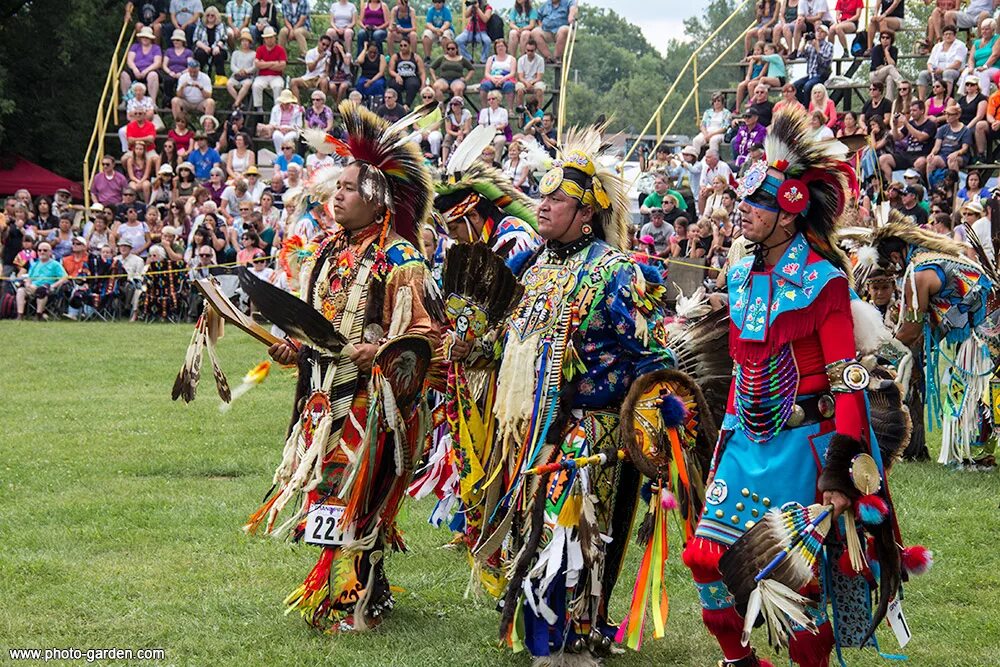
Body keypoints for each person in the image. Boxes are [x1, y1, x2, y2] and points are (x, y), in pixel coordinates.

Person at [684, 107, 913, 667]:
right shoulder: (738, 276)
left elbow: (846, 377)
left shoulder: (825, 282)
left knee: (800, 578)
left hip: (803, 444)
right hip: (745, 441)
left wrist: (840, 469)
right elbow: (741, 364)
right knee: (703, 557)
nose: (741, 211)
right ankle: (740, 660)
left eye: (755, 204)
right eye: (743, 201)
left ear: (788, 214)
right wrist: (722, 438)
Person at [450, 126, 674, 665]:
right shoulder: (535, 264)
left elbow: (654, 358)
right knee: (535, 528)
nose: (543, 205)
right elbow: (509, 336)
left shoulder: (616, 272)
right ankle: (552, 628)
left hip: (589, 432)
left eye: (557, 199)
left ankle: (574, 632)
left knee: (572, 534)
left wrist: (651, 432)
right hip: (533, 430)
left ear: (587, 213)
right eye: (542, 195)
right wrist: (473, 346)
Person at [256, 101, 440, 634]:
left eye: (350, 188)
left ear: (378, 201)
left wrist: (382, 350)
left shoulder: (401, 260)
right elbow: (314, 324)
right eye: (337, 186)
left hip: (372, 402)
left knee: (352, 491)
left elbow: (427, 335)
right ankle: (364, 589)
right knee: (330, 491)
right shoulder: (326, 252)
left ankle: (352, 598)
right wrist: (295, 347)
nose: (337, 195)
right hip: (324, 395)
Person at [861, 210, 996, 466]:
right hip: (988, 323)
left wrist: (878, 353)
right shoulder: (935, 257)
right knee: (973, 394)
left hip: (984, 331)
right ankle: (968, 453)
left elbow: (911, 330)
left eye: (890, 266)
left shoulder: (918, 272)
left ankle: (962, 456)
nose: (893, 271)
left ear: (894, 255)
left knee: (961, 397)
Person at [433, 158, 541, 259]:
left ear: (474, 215)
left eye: (453, 228)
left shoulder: (512, 240)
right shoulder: (490, 238)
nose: (453, 236)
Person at [880, 98, 937, 182]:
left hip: (921, 154)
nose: (911, 113)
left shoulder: (930, 124)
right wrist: (895, 126)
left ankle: (916, 187)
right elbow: (897, 137)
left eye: (914, 110)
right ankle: (890, 186)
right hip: (907, 154)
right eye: (910, 111)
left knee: (920, 163)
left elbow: (921, 137)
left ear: (922, 111)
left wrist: (906, 123)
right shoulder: (911, 123)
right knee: (883, 159)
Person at [14, 241, 68, 320]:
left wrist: (53, 285)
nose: (42, 252)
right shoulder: (35, 264)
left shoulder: (55, 264)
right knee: (20, 290)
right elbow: (29, 277)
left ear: (50, 252)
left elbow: (64, 277)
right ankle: (20, 315)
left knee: (41, 290)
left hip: (47, 288)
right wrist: (28, 284)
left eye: (45, 250)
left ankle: (39, 315)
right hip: (32, 287)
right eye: (39, 250)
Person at [918, 24, 967, 100]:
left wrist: (943, 70)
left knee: (947, 73)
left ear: (954, 35)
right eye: (946, 34)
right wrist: (931, 71)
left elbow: (957, 64)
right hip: (936, 72)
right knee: (923, 74)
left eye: (950, 34)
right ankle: (921, 101)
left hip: (954, 71)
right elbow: (930, 62)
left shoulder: (960, 45)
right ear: (943, 36)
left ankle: (946, 99)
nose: (948, 36)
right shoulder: (937, 46)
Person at [926, 102, 973, 177]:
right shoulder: (942, 129)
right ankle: (931, 186)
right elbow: (937, 147)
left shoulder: (965, 130)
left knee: (952, 160)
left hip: (959, 156)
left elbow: (965, 148)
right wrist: (932, 153)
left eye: (949, 114)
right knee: (931, 160)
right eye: (946, 114)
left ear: (957, 116)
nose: (947, 116)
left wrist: (956, 153)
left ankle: (955, 185)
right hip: (943, 155)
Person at [793, 23, 833, 105]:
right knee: (795, 86)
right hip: (810, 75)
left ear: (826, 34)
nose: (819, 33)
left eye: (822, 32)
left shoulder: (829, 46)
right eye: (818, 31)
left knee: (807, 86)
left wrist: (818, 49)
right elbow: (800, 55)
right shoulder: (810, 45)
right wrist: (803, 41)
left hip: (821, 74)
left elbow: (825, 62)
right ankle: (804, 104)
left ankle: (807, 106)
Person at [121, 26, 162, 103]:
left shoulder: (156, 48)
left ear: (151, 38)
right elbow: (129, 60)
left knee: (153, 75)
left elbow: (157, 63)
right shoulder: (135, 46)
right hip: (135, 69)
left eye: (147, 37)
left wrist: (146, 71)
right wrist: (135, 69)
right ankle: (125, 100)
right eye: (143, 37)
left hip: (149, 70)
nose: (145, 38)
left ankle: (153, 102)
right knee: (124, 74)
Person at [252, 26, 287, 111]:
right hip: (262, 76)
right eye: (267, 38)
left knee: (278, 86)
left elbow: (282, 66)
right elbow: (257, 65)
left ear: (274, 38)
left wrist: (264, 63)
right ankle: (259, 108)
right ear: (264, 39)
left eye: (271, 37)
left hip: (276, 76)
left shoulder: (280, 49)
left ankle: (277, 108)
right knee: (256, 85)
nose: (269, 39)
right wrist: (273, 63)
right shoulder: (260, 49)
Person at [192, 5, 228, 83]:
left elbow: (224, 38)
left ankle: (220, 79)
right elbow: (195, 39)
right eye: (208, 15)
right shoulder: (200, 25)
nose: (210, 17)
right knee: (200, 53)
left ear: (216, 16)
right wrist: (204, 47)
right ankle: (199, 77)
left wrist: (217, 47)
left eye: (212, 15)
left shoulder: (221, 25)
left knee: (219, 54)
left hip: (218, 47)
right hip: (203, 47)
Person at [965, 17, 1000, 94]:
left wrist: (985, 66)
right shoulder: (977, 42)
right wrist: (971, 67)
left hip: (993, 67)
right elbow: (971, 58)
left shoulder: (997, 39)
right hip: (978, 68)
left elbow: (995, 55)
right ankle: (965, 98)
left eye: (987, 29)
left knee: (983, 73)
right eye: (982, 29)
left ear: (993, 30)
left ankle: (983, 97)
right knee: (966, 72)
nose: (984, 31)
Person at [291, 33, 332, 99]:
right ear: (319, 42)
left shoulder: (329, 55)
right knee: (293, 81)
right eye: (323, 44)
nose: (324, 47)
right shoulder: (310, 52)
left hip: (320, 78)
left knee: (324, 81)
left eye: (327, 46)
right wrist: (318, 59)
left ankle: (322, 104)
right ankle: (298, 106)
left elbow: (327, 71)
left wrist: (324, 76)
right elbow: (310, 69)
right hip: (309, 77)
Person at [387, 37, 425, 107]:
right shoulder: (395, 56)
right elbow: (390, 70)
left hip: (412, 76)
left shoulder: (416, 57)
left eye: (405, 45)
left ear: (409, 46)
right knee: (394, 84)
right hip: (399, 76)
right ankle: (399, 106)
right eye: (401, 46)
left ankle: (407, 105)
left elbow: (422, 72)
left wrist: (423, 85)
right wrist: (396, 75)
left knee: (413, 84)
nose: (403, 47)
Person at [479, 38, 516, 108]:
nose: (500, 48)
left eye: (502, 46)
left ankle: (510, 109)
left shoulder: (511, 59)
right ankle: (484, 109)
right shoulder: (491, 58)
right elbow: (486, 73)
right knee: (484, 86)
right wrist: (493, 79)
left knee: (509, 85)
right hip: (493, 78)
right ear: (495, 49)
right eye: (498, 47)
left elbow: (512, 73)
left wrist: (502, 80)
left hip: (506, 79)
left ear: (506, 47)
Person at [227, 28, 257, 109]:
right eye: (243, 41)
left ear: (250, 43)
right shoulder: (235, 53)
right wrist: (238, 71)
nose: (244, 43)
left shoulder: (254, 54)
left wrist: (246, 71)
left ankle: (236, 103)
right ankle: (239, 102)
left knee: (247, 84)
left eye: (246, 41)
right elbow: (232, 65)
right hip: (236, 75)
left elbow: (254, 67)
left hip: (248, 76)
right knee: (229, 84)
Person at [869, 30, 903, 102]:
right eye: (883, 37)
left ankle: (888, 103)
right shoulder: (876, 49)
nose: (885, 39)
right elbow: (878, 67)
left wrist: (887, 52)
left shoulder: (894, 50)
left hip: (887, 74)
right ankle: (902, 85)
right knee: (890, 68)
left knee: (890, 78)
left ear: (891, 40)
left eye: (887, 38)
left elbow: (892, 64)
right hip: (875, 75)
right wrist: (890, 68)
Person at [515, 37, 545, 109]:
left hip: (535, 81)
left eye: (532, 51)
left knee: (540, 89)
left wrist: (531, 83)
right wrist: (526, 83)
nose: (529, 52)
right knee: (519, 90)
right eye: (528, 50)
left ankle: (538, 111)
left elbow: (539, 77)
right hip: (524, 81)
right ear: (525, 49)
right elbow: (520, 77)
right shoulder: (521, 60)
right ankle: (521, 112)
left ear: (535, 50)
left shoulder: (540, 60)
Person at [478, 90, 510, 157]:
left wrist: (493, 128)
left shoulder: (503, 111)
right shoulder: (484, 111)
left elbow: (503, 125)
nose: (491, 101)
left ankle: (496, 161)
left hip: (498, 133)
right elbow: (481, 125)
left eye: (493, 99)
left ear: (498, 100)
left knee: (500, 140)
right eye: (489, 99)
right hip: (486, 133)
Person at [441, 96, 473, 163]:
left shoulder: (466, 113)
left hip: (464, 132)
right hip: (454, 133)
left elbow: (467, 129)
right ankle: (444, 161)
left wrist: (461, 134)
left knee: (468, 136)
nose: (453, 106)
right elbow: (448, 130)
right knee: (447, 137)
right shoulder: (449, 115)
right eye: (452, 104)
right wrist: (457, 134)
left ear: (460, 105)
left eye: (455, 104)